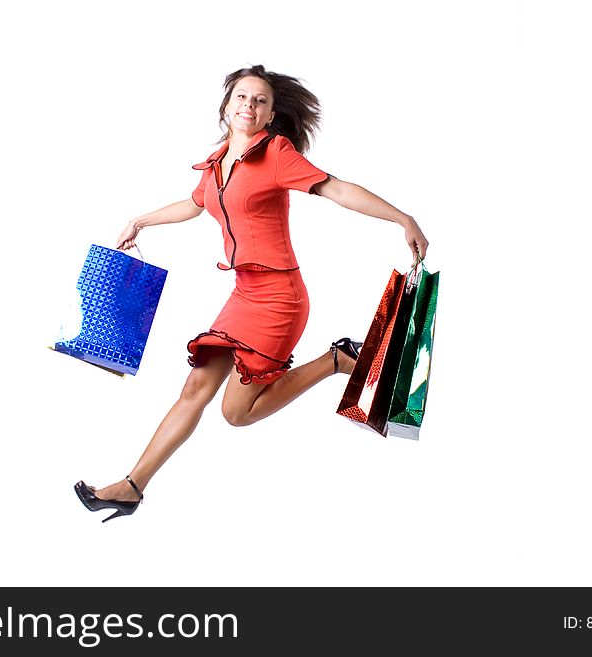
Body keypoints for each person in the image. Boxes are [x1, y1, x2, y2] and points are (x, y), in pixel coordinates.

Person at [74, 65, 429, 522]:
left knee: (236, 414)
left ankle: (336, 360)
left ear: (269, 114)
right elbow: (192, 204)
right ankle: (131, 487)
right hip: (243, 293)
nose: (249, 106)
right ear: (227, 106)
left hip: (280, 298)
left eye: (260, 101)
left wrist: (404, 219)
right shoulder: (217, 163)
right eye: (242, 97)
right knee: (194, 388)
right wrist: (140, 221)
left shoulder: (276, 154)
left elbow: (337, 189)